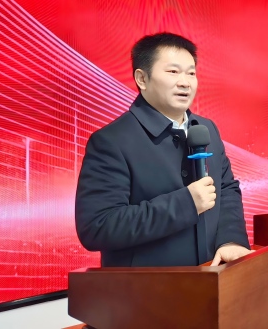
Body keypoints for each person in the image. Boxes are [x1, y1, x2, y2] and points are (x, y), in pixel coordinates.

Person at [75, 32, 252, 267]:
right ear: (142, 79)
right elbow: (97, 226)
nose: (185, 82)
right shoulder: (111, 141)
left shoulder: (206, 128)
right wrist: (186, 204)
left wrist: (230, 240)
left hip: (213, 278)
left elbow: (227, 189)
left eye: (191, 73)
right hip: (148, 286)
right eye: (173, 72)